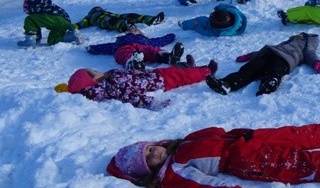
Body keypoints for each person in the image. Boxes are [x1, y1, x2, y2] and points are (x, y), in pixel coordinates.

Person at [105, 106, 320, 188]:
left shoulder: (180, 144)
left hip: (243, 137)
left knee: (292, 135)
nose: (154, 153)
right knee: (295, 163)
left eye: (149, 148)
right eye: (149, 159)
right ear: (150, 171)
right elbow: (201, 186)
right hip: (241, 159)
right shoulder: (174, 171)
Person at [55, 59, 217, 109]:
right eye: (94, 72)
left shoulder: (108, 79)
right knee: (181, 77)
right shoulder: (112, 86)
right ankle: (206, 71)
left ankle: (191, 68)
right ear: (93, 81)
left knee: (174, 70)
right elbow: (132, 97)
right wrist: (153, 103)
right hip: (158, 81)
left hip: (150, 75)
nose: (97, 70)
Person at [206, 32, 320, 96]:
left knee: (275, 69)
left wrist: (316, 63)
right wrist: (250, 55)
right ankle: (227, 84)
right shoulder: (287, 42)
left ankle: (270, 82)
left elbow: (310, 54)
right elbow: (274, 48)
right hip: (268, 54)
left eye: (300, 36)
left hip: (285, 59)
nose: (296, 36)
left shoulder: (307, 44)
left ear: (305, 38)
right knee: (250, 68)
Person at [85, 28, 187, 70]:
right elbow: (106, 47)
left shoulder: (146, 40)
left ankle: (168, 57)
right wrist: (92, 48)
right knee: (123, 53)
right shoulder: (119, 41)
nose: (134, 30)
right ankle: (132, 62)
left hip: (143, 47)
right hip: (124, 48)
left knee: (153, 50)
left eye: (136, 30)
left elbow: (160, 41)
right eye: (132, 30)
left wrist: (170, 36)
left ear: (142, 33)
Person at [75, 6, 165, 33]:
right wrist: (73, 27)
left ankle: (150, 19)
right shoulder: (90, 18)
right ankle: (125, 26)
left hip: (115, 16)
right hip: (102, 21)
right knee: (112, 21)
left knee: (131, 15)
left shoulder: (106, 12)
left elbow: (115, 15)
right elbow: (80, 24)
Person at [180, 4, 247, 37]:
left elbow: (206, 33)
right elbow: (228, 6)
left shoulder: (218, 32)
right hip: (220, 22)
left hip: (214, 25)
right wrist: (219, 6)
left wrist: (196, 27)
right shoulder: (234, 13)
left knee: (201, 20)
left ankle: (184, 25)